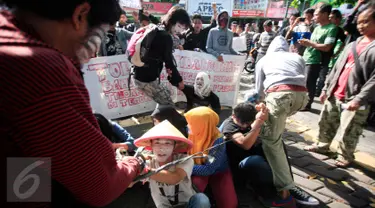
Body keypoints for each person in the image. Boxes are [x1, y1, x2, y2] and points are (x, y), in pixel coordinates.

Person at [1, 1, 145, 208]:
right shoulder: (39, 68)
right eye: (100, 36)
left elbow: (25, 149)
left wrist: (93, 150)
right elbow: (99, 186)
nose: (93, 53)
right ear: (80, 16)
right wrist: (136, 163)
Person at [304, 6, 375, 168]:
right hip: (336, 91)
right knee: (326, 121)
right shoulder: (353, 43)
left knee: (350, 129)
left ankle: (345, 155)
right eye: (359, 22)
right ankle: (322, 145)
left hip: (356, 96)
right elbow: (337, 66)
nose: (361, 25)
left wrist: (360, 98)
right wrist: (326, 88)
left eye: (366, 22)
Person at [220, 102, 319, 206]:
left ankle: (288, 185)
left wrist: (262, 108)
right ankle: (269, 193)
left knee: (277, 144)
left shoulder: (249, 118)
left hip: (259, 156)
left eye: (249, 123)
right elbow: (245, 144)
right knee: (253, 162)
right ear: (233, 116)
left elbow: (265, 107)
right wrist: (258, 122)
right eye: (243, 123)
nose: (246, 126)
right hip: (241, 166)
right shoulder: (229, 125)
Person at [255, 36, 313, 205]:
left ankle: (285, 188)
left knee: (271, 141)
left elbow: (258, 91)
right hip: (302, 98)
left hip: (280, 95)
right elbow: (302, 79)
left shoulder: (264, 59)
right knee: (277, 128)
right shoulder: (297, 57)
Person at [134, 120, 211, 208]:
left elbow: (175, 178)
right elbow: (130, 184)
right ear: (151, 145)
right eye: (157, 143)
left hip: (188, 204)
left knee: (201, 199)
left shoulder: (185, 159)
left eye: (167, 143)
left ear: (174, 146)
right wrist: (130, 163)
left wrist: (143, 170)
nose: (161, 148)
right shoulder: (148, 162)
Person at [132, 6, 190, 106]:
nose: (180, 31)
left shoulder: (158, 29)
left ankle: (158, 118)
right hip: (146, 79)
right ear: (172, 22)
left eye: (183, 28)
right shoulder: (166, 37)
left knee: (165, 96)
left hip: (139, 74)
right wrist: (179, 80)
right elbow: (169, 62)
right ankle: (160, 119)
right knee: (168, 105)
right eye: (180, 26)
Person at [185, 107, 238, 208]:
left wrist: (186, 167)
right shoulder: (195, 131)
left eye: (191, 123)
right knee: (191, 192)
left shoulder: (217, 141)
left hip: (218, 170)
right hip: (197, 166)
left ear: (202, 125)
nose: (188, 125)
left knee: (229, 205)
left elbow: (209, 169)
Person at [299, 4, 338, 111]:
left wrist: (310, 43)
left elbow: (327, 47)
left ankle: (306, 104)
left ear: (325, 14)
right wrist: (305, 43)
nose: (314, 17)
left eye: (316, 15)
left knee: (309, 83)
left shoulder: (332, 28)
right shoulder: (316, 28)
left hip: (316, 60)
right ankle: (301, 102)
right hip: (306, 57)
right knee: (302, 81)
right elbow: (313, 43)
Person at [316, 9, 347, 96]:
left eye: (332, 18)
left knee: (323, 75)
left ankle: (319, 91)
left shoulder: (339, 30)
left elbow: (344, 42)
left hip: (327, 56)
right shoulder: (321, 27)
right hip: (316, 55)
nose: (330, 19)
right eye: (329, 17)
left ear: (338, 19)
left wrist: (337, 53)